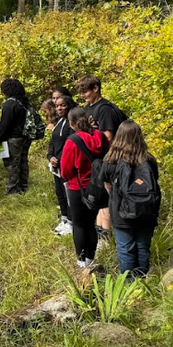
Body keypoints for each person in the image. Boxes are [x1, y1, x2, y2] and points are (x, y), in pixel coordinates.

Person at [99, 120, 161, 277]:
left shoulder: (110, 159)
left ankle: (128, 285)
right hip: (147, 210)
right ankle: (143, 282)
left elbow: (107, 185)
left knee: (125, 248)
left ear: (119, 136)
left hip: (121, 210)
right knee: (142, 247)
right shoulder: (149, 159)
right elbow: (154, 182)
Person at [76, 75, 129, 235]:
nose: (83, 95)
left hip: (109, 158)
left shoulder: (104, 108)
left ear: (96, 88)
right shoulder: (88, 108)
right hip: (96, 160)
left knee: (107, 195)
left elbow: (108, 137)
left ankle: (107, 232)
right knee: (98, 194)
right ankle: (100, 230)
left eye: (85, 91)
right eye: (81, 92)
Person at [61, 107, 109, 268]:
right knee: (91, 224)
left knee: (79, 225)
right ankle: (90, 257)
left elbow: (66, 171)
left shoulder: (72, 141)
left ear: (72, 123)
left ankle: (81, 261)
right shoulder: (101, 137)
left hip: (78, 187)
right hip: (98, 187)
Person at [47, 95, 77, 236]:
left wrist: (61, 159)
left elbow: (70, 145)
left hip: (66, 165)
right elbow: (53, 142)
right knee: (60, 193)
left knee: (68, 194)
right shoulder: (59, 122)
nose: (59, 108)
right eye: (57, 106)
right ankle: (64, 218)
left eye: (63, 105)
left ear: (69, 106)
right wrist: (50, 156)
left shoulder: (72, 124)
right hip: (56, 165)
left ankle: (71, 222)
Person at [0, 79, 32, 195]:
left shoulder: (9, 104)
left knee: (11, 163)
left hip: (12, 138)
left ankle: (12, 189)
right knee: (23, 161)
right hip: (25, 137)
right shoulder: (24, 102)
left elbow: (5, 125)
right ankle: (23, 186)